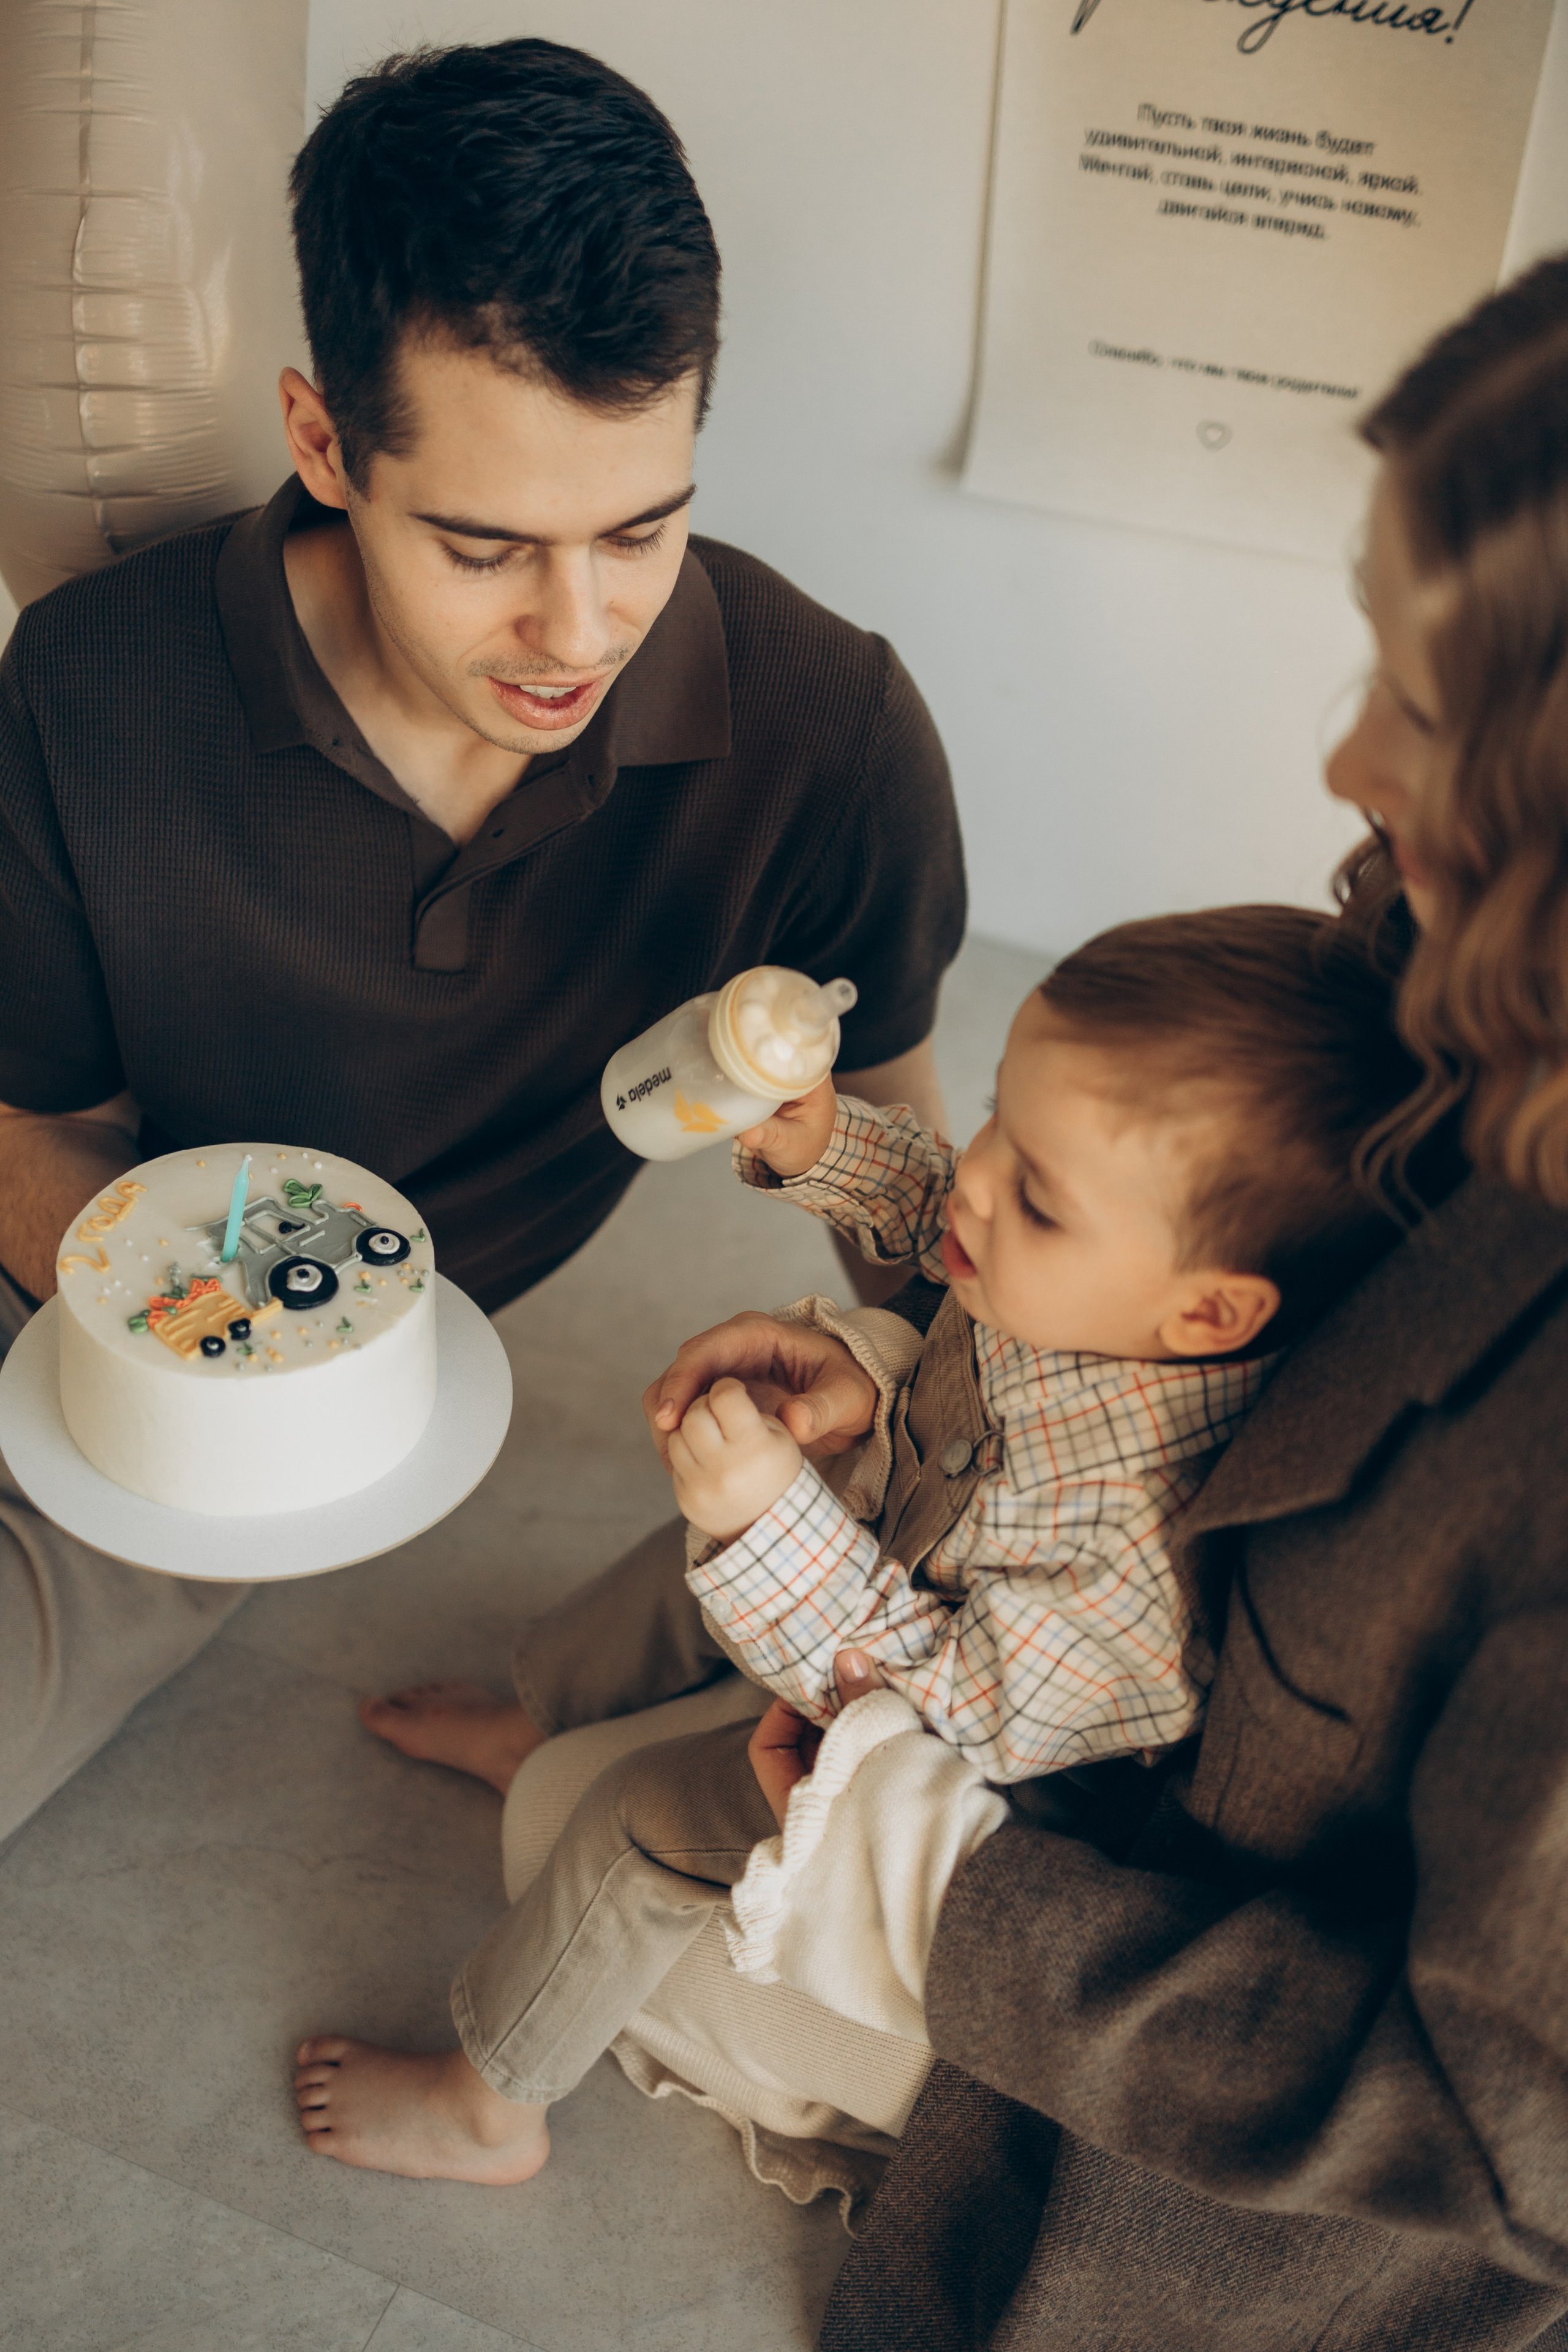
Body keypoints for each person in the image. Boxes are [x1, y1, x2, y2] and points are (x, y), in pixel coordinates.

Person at [361, 254, 1568, 2346]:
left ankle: (512, 2062)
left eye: (1427, 707)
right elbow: (974, 1210)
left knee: (602, 1821)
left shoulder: (1140, 1575)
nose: (1350, 759)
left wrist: (879, 1785)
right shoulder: (1391, 1034)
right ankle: (550, 1733)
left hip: (1055, 1879)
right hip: (944, 1580)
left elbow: (932, 1700)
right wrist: (886, 1291)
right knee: (596, 1696)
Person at [0, 38, 961, 1840]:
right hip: (111, 1290)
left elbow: (918, 1217)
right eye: (481, 546)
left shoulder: (831, 737)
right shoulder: (90, 684)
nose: (573, 631)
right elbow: (31, 1127)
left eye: (643, 528)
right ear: (319, 442)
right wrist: (170, 1318)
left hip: (268, 1409)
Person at [290, 904, 1417, 2179]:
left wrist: (774, 1523)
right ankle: (536, 1717)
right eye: (1000, 1115)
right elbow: (950, 1196)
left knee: (631, 1818)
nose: (980, 1178)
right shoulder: (1111, 1290)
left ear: (1209, 1310)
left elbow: (953, 1715)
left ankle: (490, 2101)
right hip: (901, 1540)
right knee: (677, 1561)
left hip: (914, 1750)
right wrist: (830, 1146)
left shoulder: (1138, 1567)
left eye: (1035, 1199)